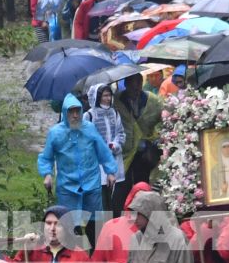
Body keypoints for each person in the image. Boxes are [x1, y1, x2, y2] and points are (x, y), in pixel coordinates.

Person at [39, 93, 120, 225]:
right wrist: (47, 175)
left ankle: (95, 245)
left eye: (77, 111)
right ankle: (71, 244)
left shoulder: (89, 128)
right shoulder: (55, 133)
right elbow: (46, 157)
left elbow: (103, 151)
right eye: (71, 112)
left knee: (94, 223)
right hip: (67, 185)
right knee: (68, 223)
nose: (75, 115)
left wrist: (110, 171)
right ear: (65, 113)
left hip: (91, 181)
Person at [112, 74, 164, 209]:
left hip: (145, 152)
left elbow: (164, 119)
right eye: (132, 85)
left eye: (138, 85)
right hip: (125, 152)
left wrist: (159, 138)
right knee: (122, 187)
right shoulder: (117, 101)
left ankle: (145, 213)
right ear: (126, 85)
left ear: (142, 84)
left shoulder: (152, 101)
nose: (135, 89)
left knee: (144, 184)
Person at [88, 84, 126, 164]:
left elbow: (121, 133)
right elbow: (86, 138)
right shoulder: (90, 115)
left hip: (115, 158)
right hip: (98, 161)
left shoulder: (114, 113)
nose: (108, 98)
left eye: (110, 95)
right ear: (98, 97)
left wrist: (115, 145)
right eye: (105, 96)